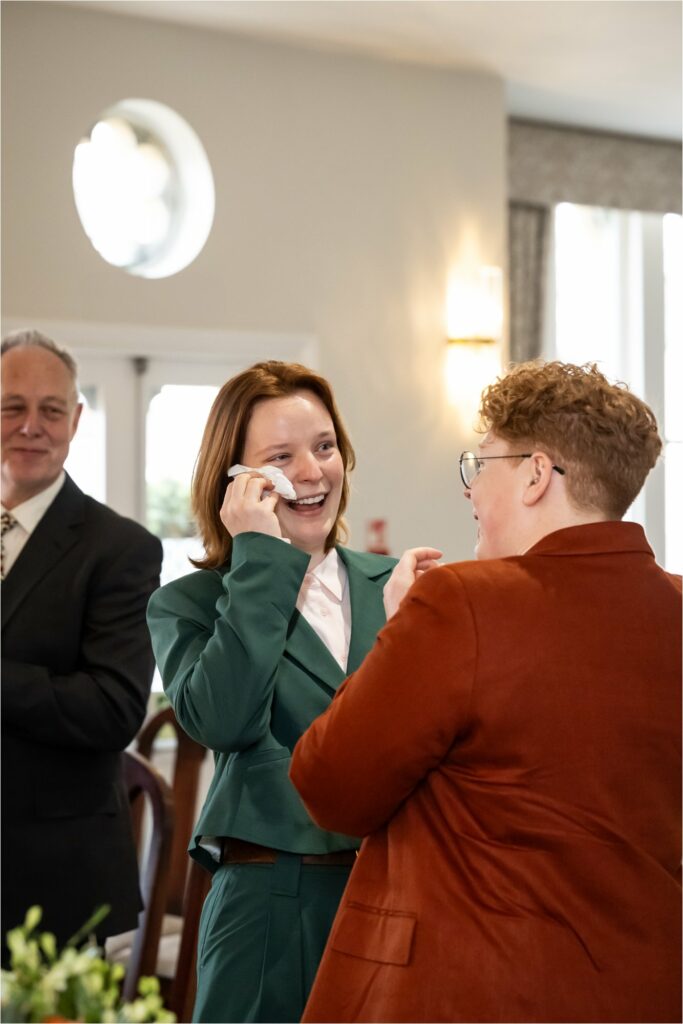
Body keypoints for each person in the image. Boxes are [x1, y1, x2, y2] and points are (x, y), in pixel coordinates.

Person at [291, 360, 682, 1024]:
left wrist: (395, 631)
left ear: (535, 475)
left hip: (473, 990)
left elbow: (331, 786)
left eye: (482, 464)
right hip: (647, 989)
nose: (470, 490)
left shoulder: (460, 602)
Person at [147, 361, 436, 1024]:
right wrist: (258, 554)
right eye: (281, 457)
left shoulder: (398, 586)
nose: (312, 472)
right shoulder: (187, 605)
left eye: (324, 447)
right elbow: (223, 720)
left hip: (401, 895)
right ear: (234, 481)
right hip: (269, 905)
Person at [1, 330, 163, 950]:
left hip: (55, 880)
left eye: (50, 409)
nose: (30, 426)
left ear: (75, 420)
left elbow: (113, 709)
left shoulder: (121, 549)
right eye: (12, 406)